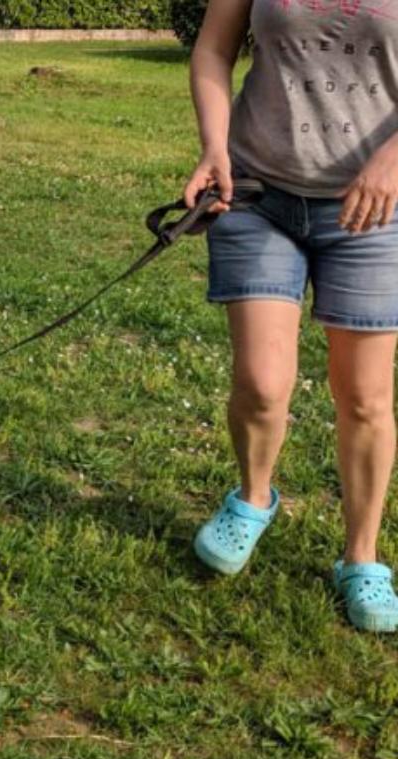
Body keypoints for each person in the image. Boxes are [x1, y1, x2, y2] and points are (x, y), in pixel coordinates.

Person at [186, 0, 398, 631]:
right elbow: (213, 51)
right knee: (260, 382)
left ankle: (362, 558)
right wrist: (213, 147)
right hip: (255, 194)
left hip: (373, 208)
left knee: (364, 398)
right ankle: (252, 498)